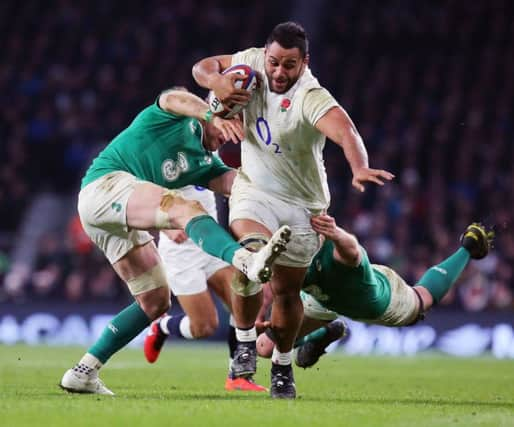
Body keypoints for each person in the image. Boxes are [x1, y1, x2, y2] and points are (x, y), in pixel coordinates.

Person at [192, 21, 393, 398]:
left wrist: (359, 167)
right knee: (251, 256)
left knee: (286, 294)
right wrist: (217, 85)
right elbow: (202, 67)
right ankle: (246, 344)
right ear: (265, 55)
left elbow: (346, 131)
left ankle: (283, 367)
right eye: (274, 62)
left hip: (303, 208)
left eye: (289, 65)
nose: (278, 72)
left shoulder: (310, 95)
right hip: (253, 190)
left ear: (304, 63)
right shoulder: (250, 63)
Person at [59, 88, 291, 395]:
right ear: (216, 111)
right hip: (105, 186)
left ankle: (84, 372)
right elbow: (171, 97)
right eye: (228, 125)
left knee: (155, 302)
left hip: (115, 217)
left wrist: (284, 197)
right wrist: (211, 115)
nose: (228, 136)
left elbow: (236, 186)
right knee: (185, 208)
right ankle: (244, 259)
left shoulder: (205, 163)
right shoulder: (174, 118)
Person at [256, 214, 495, 368]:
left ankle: (468, 248)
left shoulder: (339, 252)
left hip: (376, 300)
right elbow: (270, 287)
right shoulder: (291, 257)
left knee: (421, 301)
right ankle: (325, 334)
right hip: (324, 300)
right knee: (265, 348)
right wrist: (260, 315)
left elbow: (353, 249)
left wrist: (336, 233)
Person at [144, 184, 266, 392]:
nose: (218, 148)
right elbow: (140, 196)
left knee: (243, 303)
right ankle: (162, 327)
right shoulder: (164, 153)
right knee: (205, 327)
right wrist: (165, 227)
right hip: (181, 252)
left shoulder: (210, 152)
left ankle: (237, 376)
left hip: (211, 241)